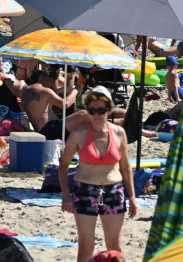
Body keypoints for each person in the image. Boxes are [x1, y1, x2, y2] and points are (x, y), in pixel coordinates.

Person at [58, 87, 136, 262]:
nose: (96, 115)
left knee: (115, 248)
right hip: (85, 191)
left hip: (114, 191)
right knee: (86, 247)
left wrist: (132, 197)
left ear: (109, 110)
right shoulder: (79, 133)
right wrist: (66, 195)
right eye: (92, 111)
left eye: (101, 110)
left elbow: (126, 167)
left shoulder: (118, 133)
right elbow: (63, 165)